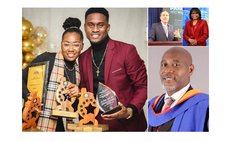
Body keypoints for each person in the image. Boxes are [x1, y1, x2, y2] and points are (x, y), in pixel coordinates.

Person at [79, 8, 147, 131]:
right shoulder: (82, 58)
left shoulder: (127, 51)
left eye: (100, 25)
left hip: (127, 126)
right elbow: (84, 94)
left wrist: (129, 110)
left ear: (108, 27)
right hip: (96, 127)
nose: (95, 29)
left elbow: (143, 86)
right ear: (85, 27)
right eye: (90, 25)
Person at [22, 17, 84, 131]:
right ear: (61, 44)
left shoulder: (80, 71)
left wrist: (78, 94)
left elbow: (75, 108)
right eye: (66, 44)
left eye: (76, 45)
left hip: (62, 127)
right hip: (36, 121)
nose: (71, 49)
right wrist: (29, 97)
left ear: (82, 46)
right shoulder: (47, 58)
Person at [148, 47, 209, 132]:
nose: (167, 70)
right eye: (164, 65)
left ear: (190, 70)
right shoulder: (152, 104)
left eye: (176, 65)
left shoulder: (206, 106)